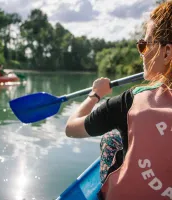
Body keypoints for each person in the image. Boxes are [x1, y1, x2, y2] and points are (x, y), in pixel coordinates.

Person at [65, 2, 172, 200]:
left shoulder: (130, 102)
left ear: (166, 53)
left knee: (111, 138)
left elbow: (71, 128)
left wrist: (95, 95)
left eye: (145, 44)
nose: (142, 52)